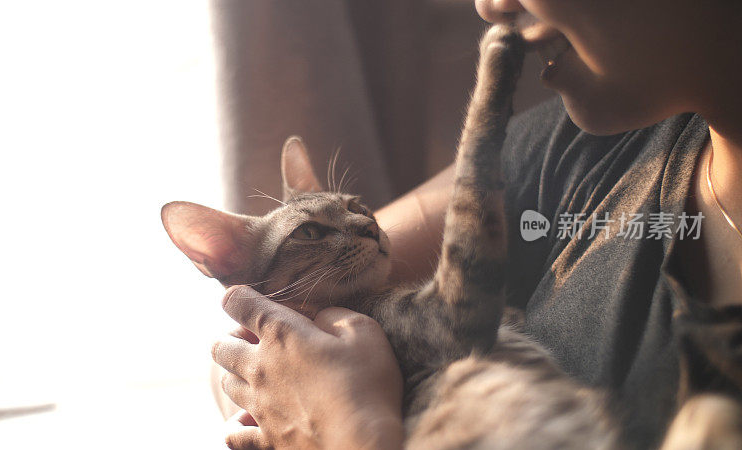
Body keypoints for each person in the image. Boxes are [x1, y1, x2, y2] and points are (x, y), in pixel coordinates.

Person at [211, 0, 742, 448]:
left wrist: (353, 428)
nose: (488, 6)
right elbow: (241, 364)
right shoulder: (573, 148)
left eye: (357, 211)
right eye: (313, 230)